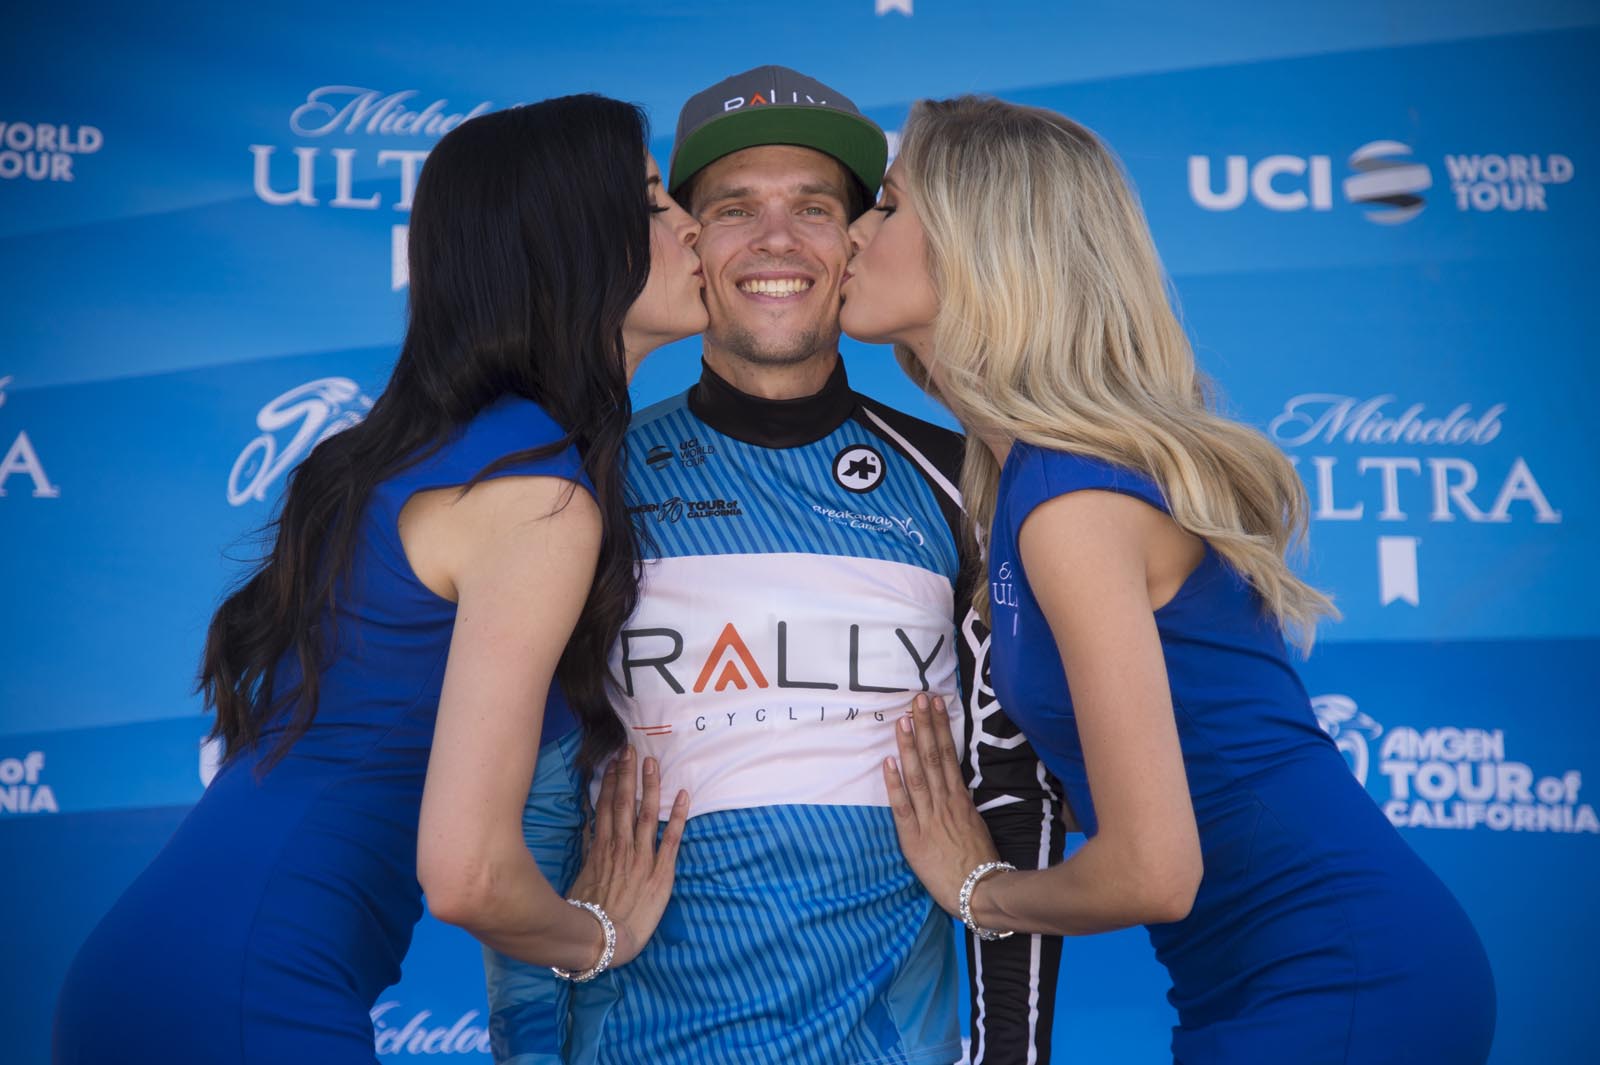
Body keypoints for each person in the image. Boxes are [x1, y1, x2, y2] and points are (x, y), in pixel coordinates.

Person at [842, 94, 1498, 1064]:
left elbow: (1153, 871)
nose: (854, 231)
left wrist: (979, 891)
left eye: (889, 205)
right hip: (1276, 979)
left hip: (1341, 979)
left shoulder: (1070, 499)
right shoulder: (1036, 480)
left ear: (982, 243)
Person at [52, 94, 704, 1063]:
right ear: (570, 243)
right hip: (251, 985)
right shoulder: (534, 496)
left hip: (158, 965)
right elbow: (468, 874)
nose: (694, 224)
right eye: (653, 202)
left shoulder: (441, 452)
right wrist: (599, 936)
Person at [485, 68, 1065, 1065]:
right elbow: (528, 810)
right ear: (686, 243)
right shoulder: (582, 488)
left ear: (858, 243)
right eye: (733, 209)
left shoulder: (968, 482)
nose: (776, 240)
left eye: (814, 207)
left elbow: (1015, 799)